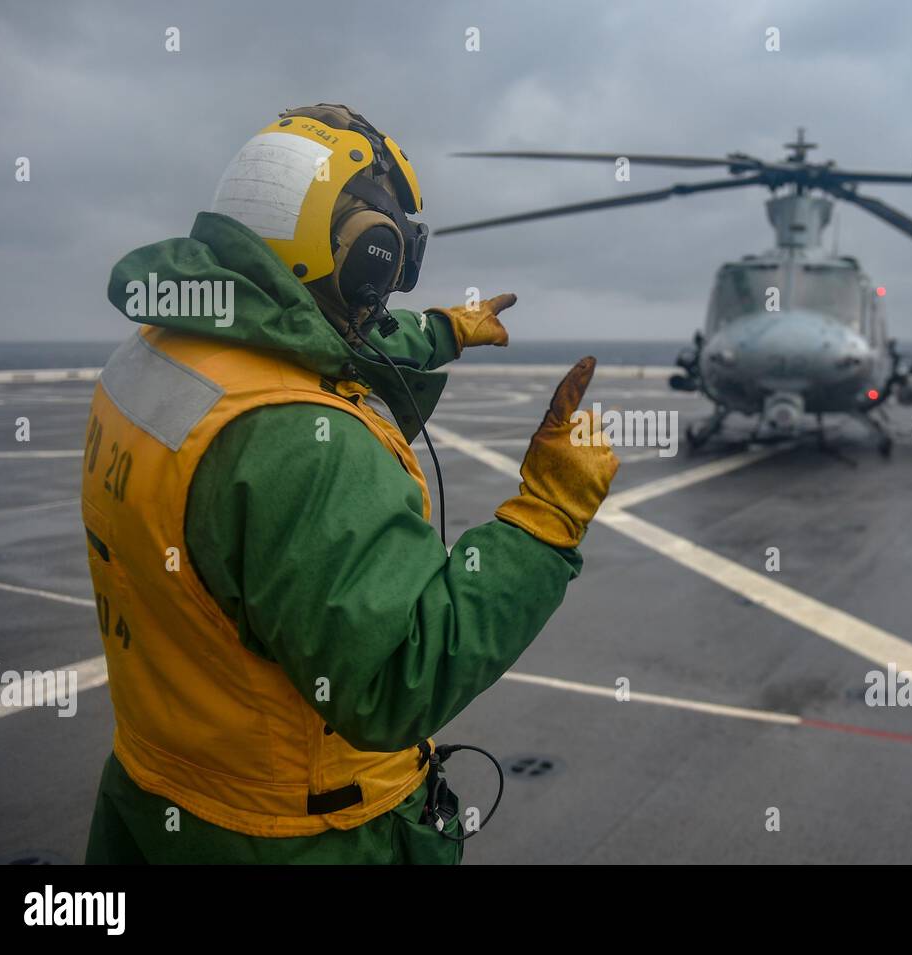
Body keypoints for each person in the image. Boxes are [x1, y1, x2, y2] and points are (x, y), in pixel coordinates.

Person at [81, 104, 619, 864]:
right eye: (387, 252)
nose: (391, 276)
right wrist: (549, 513)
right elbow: (397, 675)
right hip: (297, 837)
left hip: (154, 791)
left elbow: (296, 330)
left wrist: (444, 331)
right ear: (363, 251)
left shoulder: (161, 351)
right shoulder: (302, 442)